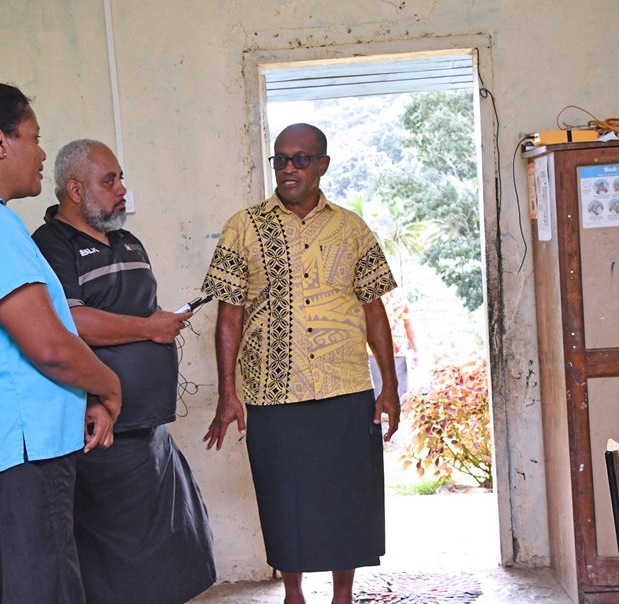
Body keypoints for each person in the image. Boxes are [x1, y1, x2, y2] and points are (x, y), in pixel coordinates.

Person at [0, 80, 122, 604]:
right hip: (13, 460)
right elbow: (49, 345)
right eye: (34, 137)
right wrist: (108, 385)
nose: (41, 154)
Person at [201, 123, 400, 604]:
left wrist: (389, 387)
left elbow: (374, 309)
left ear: (322, 165)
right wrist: (228, 393)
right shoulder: (244, 226)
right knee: (283, 499)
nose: (289, 168)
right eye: (281, 160)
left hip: (344, 388)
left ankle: (342, 595)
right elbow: (229, 315)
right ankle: (293, 593)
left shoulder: (351, 228)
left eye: (300, 159)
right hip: (273, 393)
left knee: (346, 500)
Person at [32, 139, 216, 604]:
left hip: (150, 425)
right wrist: (150, 328)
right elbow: (70, 322)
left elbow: (139, 310)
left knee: (178, 548)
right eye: (109, 180)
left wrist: (161, 322)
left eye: (121, 179)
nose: (122, 190)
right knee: (119, 565)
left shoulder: (128, 241)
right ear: (75, 189)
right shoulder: (50, 245)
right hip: (101, 430)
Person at [369, 288, 419, 400]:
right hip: (374, 355)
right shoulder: (369, 295)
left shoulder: (399, 296)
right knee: (378, 396)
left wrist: (416, 351)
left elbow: (407, 323)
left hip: (398, 354)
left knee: (401, 397)